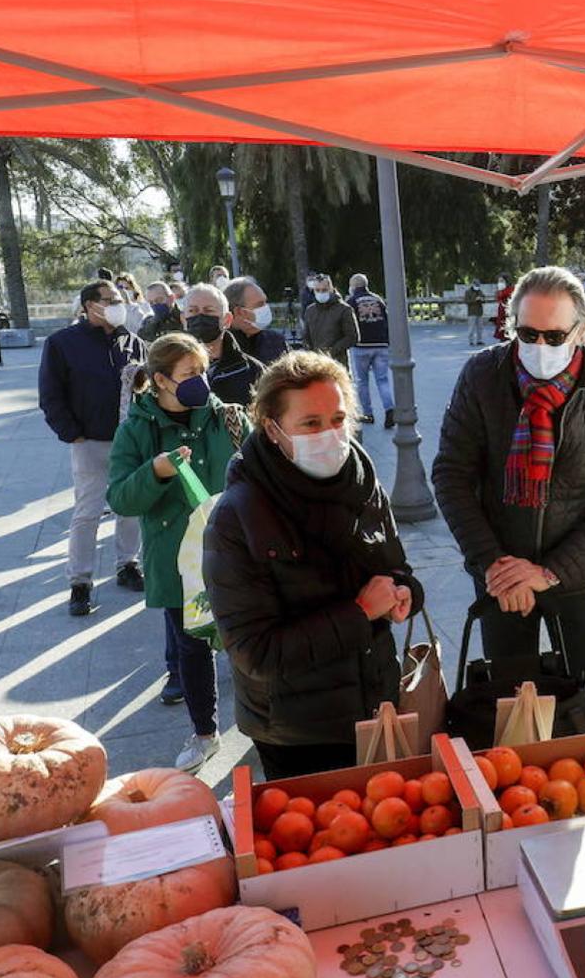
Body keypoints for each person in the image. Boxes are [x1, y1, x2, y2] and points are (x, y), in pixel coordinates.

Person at [432, 266, 585, 707]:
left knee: (580, 706)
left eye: (554, 335)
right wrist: (494, 565)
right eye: (527, 334)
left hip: (576, 580)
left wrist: (548, 572)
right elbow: (452, 475)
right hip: (501, 576)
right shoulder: (482, 375)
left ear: (581, 330)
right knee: (511, 709)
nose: (539, 347)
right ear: (512, 327)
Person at [205, 351, 419, 777]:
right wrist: (360, 614)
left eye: (338, 419)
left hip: (375, 706)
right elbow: (254, 652)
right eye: (310, 424)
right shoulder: (238, 516)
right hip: (297, 732)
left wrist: (404, 592)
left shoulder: (362, 478)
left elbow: (395, 563)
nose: (330, 435)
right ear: (272, 428)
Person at [108, 333, 241, 769]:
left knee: (250, 636)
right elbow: (121, 499)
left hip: (234, 549)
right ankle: (205, 733)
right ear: (161, 380)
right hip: (177, 558)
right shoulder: (137, 429)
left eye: (203, 371)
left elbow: (259, 464)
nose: (200, 382)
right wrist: (156, 471)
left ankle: (267, 718)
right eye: (189, 375)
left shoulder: (224, 417)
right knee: (191, 648)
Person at [39, 279, 146, 615]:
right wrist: (71, 432)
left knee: (130, 506)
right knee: (87, 512)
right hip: (89, 441)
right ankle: (80, 581)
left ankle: (127, 563)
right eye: (111, 300)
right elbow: (50, 393)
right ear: (89, 306)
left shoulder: (132, 341)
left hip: (129, 440)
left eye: (121, 299)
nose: (119, 304)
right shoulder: (62, 343)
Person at [180, 283, 265, 407]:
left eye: (208, 311)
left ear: (227, 320)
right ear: (183, 319)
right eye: (193, 311)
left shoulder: (251, 370)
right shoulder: (168, 368)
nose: (200, 317)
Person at [347, 273, 395, 427]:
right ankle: (389, 409)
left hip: (361, 346)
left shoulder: (352, 301)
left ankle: (368, 413)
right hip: (381, 345)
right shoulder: (378, 300)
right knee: (383, 380)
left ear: (353, 287)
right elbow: (387, 321)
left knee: (362, 382)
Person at [222, 277, 291, 364]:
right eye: (260, 305)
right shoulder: (219, 347)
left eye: (265, 302)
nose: (266, 308)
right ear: (239, 312)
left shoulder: (276, 342)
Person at [300, 274, 358, 368]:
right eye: (317, 290)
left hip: (338, 363)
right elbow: (306, 336)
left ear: (331, 289)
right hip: (316, 362)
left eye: (324, 290)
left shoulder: (344, 309)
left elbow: (352, 336)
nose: (320, 293)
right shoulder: (310, 310)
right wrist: (310, 352)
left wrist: (331, 351)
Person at [463, 281, 487, 345]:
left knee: (480, 327)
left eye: (478, 285)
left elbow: (484, 299)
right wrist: (475, 299)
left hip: (479, 312)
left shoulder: (480, 291)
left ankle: (479, 340)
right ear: (473, 285)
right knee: (471, 328)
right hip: (472, 312)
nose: (477, 287)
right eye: (476, 285)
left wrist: (482, 299)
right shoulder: (468, 292)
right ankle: (471, 341)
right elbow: (466, 301)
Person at [493, 275, 514, 342]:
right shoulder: (500, 292)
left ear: (507, 282)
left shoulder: (511, 291)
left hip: (509, 319)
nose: (499, 283)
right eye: (498, 281)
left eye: (501, 281)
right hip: (501, 318)